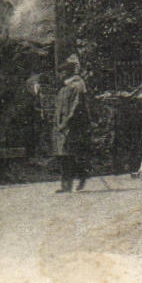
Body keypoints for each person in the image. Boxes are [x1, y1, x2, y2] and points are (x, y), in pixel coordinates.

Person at [51, 54, 92, 192]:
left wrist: (66, 122)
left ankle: (81, 176)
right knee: (63, 156)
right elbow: (57, 109)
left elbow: (75, 108)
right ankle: (65, 186)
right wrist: (57, 124)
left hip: (72, 126)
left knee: (71, 155)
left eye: (62, 72)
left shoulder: (76, 87)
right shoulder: (62, 89)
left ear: (67, 73)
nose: (60, 75)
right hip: (61, 127)